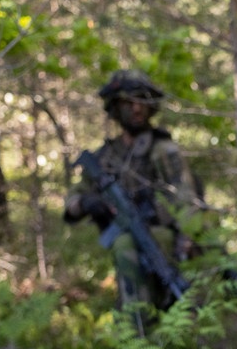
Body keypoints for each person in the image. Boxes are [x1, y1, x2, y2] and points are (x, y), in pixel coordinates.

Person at [64, 70, 206, 321]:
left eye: (142, 102)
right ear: (115, 108)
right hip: (127, 233)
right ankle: (137, 328)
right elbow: (73, 201)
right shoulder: (105, 157)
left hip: (162, 233)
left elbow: (186, 199)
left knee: (129, 248)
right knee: (124, 244)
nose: (137, 110)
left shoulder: (162, 150)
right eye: (128, 103)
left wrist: (187, 238)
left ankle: (140, 324)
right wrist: (86, 202)